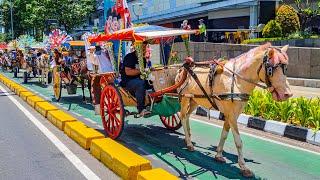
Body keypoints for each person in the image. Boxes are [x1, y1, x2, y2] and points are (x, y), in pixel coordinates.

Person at [120, 42, 151, 117]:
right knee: (140, 83)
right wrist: (142, 71)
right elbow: (128, 72)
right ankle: (141, 109)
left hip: (139, 79)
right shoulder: (129, 57)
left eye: (145, 46)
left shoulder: (143, 58)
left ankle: (153, 102)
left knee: (152, 82)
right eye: (142, 46)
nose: (144, 48)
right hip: (128, 81)